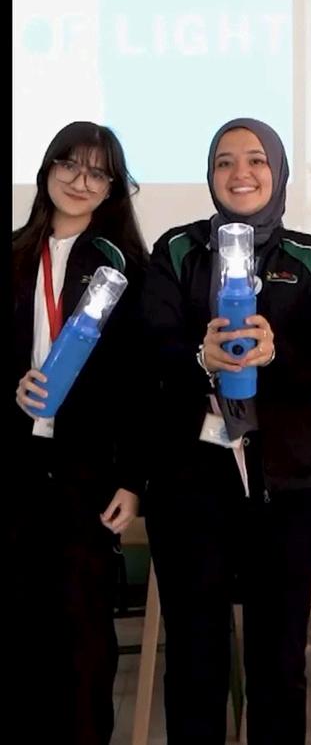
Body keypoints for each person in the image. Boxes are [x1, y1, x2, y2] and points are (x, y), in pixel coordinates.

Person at [141, 117, 311, 744]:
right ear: (210, 175)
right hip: (190, 483)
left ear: (278, 172)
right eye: (225, 161)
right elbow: (154, 346)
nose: (241, 173)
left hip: (287, 484)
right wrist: (199, 357)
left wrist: (273, 354)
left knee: (279, 662)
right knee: (195, 659)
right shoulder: (176, 249)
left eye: (256, 159)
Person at [10, 121, 148, 745]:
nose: (80, 181)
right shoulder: (15, 254)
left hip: (86, 473)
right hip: (17, 466)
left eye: (97, 172)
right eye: (69, 165)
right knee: (23, 630)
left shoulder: (127, 267)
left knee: (83, 637)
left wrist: (132, 480)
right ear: (47, 170)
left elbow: (145, 385)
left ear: (112, 188)